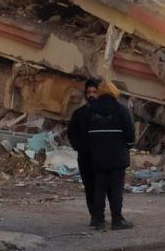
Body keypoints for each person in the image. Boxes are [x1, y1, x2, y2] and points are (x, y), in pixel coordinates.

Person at [87, 79, 135, 231]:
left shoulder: (91, 111)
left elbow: (85, 134)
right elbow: (130, 134)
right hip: (117, 157)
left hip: (98, 158)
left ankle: (99, 221)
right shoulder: (121, 110)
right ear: (115, 93)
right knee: (116, 190)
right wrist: (128, 147)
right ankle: (116, 221)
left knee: (99, 189)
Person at [67, 78, 100, 226]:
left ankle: (102, 215)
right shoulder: (79, 114)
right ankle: (94, 216)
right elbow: (71, 132)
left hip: (102, 157)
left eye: (94, 92)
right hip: (85, 157)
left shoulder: (105, 113)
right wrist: (78, 146)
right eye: (89, 92)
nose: (91, 95)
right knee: (90, 187)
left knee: (102, 187)